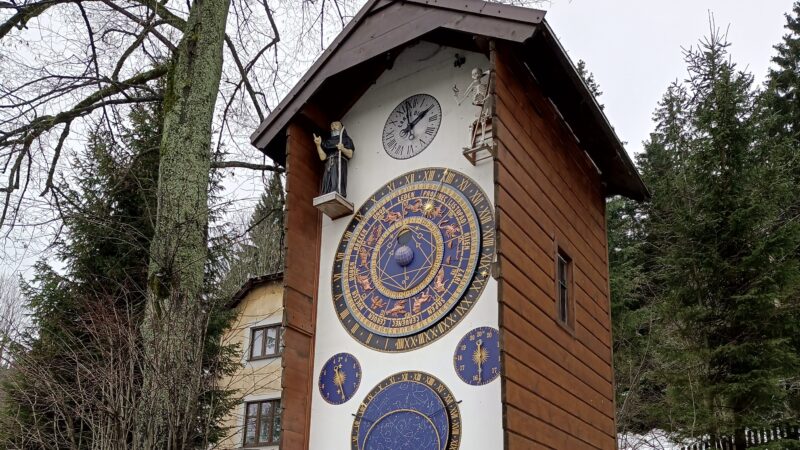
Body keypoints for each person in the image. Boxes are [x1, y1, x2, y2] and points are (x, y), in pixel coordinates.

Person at [313, 121, 354, 197]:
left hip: (339, 163)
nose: (334, 127)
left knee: (337, 182)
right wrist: (318, 145)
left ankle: (338, 193)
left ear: (341, 128)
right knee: (327, 184)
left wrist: (343, 149)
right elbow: (323, 157)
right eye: (332, 125)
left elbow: (350, 154)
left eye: (336, 125)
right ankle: (326, 194)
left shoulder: (346, 139)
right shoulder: (327, 142)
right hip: (328, 164)